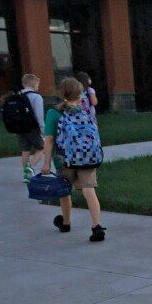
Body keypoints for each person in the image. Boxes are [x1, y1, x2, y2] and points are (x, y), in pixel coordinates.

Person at [42, 77, 106, 243]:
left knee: (64, 191)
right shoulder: (84, 112)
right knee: (89, 190)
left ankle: (66, 222)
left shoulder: (53, 113)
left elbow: (49, 140)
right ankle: (96, 226)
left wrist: (46, 163)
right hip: (87, 158)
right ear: (80, 94)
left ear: (61, 93)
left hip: (65, 160)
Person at [16, 74, 46, 183]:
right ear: (34, 83)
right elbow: (39, 116)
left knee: (25, 150)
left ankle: (25, 173)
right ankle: (30, 168)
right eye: (38, 83)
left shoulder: (18, 95)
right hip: (33, 128)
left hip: (20, 127)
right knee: (43, 147)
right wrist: (43, 131)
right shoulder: (36, 97)